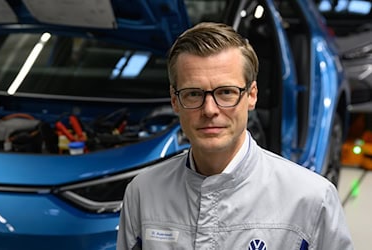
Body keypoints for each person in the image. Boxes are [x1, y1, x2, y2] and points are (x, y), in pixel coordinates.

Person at [116, 22, 353, 249]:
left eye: (226, 92)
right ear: (174, 100)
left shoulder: (311, 199)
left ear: (251, 95)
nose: (209, 110)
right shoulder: (143, 193)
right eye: (193, 94)